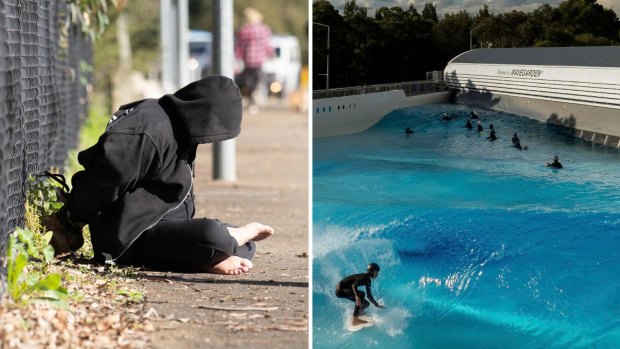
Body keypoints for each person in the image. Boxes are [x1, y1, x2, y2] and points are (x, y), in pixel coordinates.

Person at [43, 76, 275, 275]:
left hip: (159, 225)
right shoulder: (146, 131)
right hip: (128, 237)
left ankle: (208, 255)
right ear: (203, 114)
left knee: (245, 246)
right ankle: (209, 253)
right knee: (215, 235)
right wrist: (70, 218)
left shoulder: (180, 127)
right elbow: (102, 182)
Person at [235, 7, 274, 113]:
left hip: (248, 60)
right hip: (259, 60)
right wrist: (271, 54)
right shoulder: (264, 29)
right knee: (258, 79)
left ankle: (252, 100)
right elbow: (267, 44)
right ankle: (257, 96)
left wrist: (237, 57)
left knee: (249, 81)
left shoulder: (244, 29)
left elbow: (240, 46)